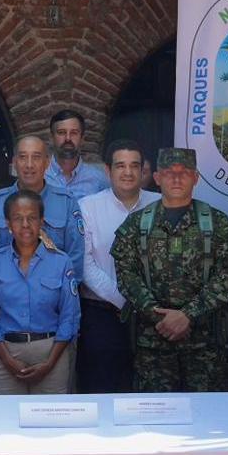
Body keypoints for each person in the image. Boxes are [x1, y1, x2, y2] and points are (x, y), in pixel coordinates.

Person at [112, 148, 228, 392]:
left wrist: (187, 315)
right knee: (154, 418)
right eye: (169, 172)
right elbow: (126, 275)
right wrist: (158, 315)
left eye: (184, 172)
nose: (176, 178)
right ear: (157, 178)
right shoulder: (136, 224)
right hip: (153, 345)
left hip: (204, 345)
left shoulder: (218, 223)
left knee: (207, 417)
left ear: (196, 178)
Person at [76, 139, 160, 393]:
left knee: (147, 391)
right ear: (107, 170)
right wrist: (125, 300)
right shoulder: (88, 206)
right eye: (120, 165)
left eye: (134, 166)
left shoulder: (159, 204)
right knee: (102, 387)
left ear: (144, 170)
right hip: (102, 314)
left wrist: (145, 305)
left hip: (153, 317)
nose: (128, 172)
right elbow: (86, 264)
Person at [0, 190, 79, 394]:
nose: (25, 224)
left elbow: (70, 318)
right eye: (17, 218)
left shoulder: (61, 262)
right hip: (5, 351)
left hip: (51, 352)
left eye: (32, 218)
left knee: (51, 421)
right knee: (6, 421)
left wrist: (50, 363)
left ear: (42, 221)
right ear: (8, 223)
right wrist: (8, 361)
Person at [0, 135, 85, 276]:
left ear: (47, 163)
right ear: (14, 162)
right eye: (23, 157)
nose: (29, 164)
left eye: (36, 157)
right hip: (4, 291)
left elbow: (75, 258)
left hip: (52, 292)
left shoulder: (66, 202)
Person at [45, 109, 109, 202]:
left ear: (82, 138)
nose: (68, 138)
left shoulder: (99, 180)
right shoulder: (40, 177)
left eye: (74, 133)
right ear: (52, 137)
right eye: (61, 132)